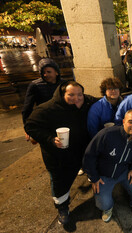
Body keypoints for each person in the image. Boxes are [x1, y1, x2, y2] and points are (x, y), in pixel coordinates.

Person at [24, 81, 97, 225]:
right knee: (60, 182)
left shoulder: (87, 101)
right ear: (62, 94)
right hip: (59, 156)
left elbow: (104, 101)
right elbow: (30, 126)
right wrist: (50, 139)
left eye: (79, 95)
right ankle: (62, 208)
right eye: (71, 95)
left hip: (81, 151)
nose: (76, 98)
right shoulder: (47, 109)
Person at [83, 110, 132, 222]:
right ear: (123, 121)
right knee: (103, 204)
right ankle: (108, 208)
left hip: (123, 172)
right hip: (103, 175)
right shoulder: (107, 134)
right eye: (130, 122)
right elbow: (88, 156)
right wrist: (94, 177)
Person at [22, 58, 64, 143]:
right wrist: (28, 128)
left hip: (61, 120)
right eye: (43, 73)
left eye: (49, 72)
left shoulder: (64, 84)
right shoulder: (35, 85)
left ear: (56, 72)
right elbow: (27, 108)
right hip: (44, 121)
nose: (45, 75)